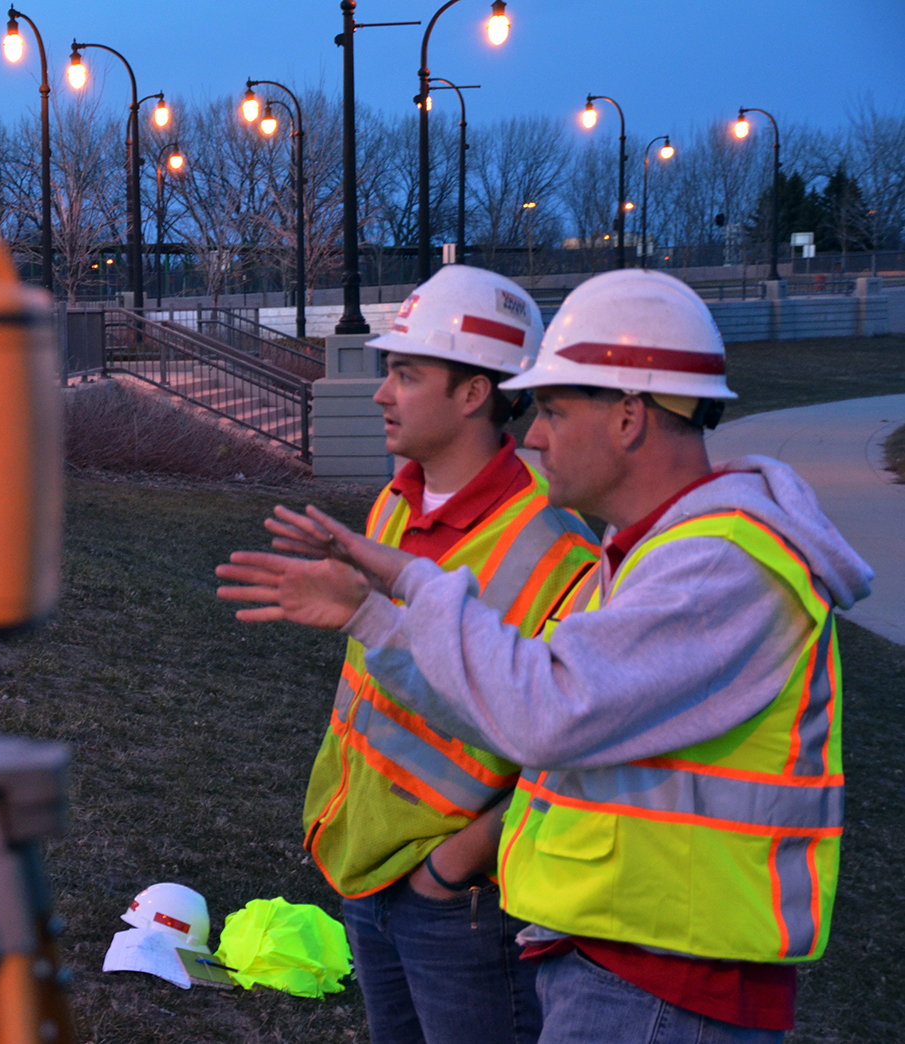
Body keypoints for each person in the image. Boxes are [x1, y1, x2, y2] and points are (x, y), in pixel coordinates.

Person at [217, 269, 873, 1043]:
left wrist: (446, 869)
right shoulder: (650, 556)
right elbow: (544, 710)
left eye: (555, 410)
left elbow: (542, 715)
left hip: (666, 979)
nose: (532, 433)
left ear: (629, 417)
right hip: (611, 956)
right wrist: (372, 610)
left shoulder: (716, 567)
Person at [294, 266, 597, 1044]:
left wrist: (451, 867)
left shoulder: (557, 551)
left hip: (460, 904)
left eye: (406, 373)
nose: (379, 393)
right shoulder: (393, 502)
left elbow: (570, 747)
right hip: (365, 866)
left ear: (473, 394)